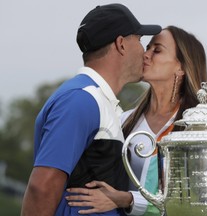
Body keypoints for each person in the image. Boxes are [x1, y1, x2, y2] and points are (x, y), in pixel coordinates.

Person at [21, 3, 161, 216]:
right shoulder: (82, 100)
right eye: (140, 40)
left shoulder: (97, 101)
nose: (144, 51)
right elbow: (42, 187)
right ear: (121, 44)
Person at [65, 25, 207, 216]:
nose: (146, 54)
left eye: (157, 50)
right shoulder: (123, 120)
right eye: (147, 47)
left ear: (181, 67)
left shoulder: (198, 129)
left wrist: (126, 199)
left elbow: (193, 200)